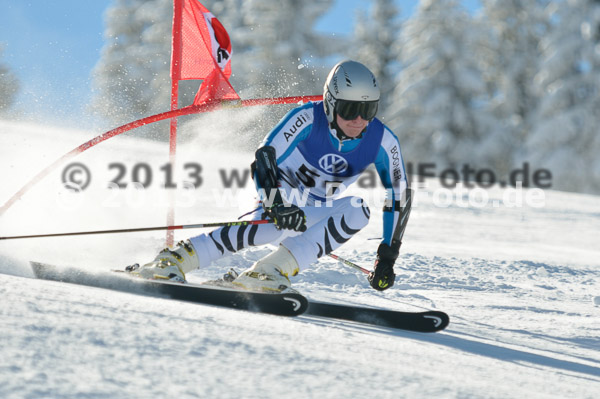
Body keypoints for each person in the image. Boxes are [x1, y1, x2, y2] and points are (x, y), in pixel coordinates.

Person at [131, 60, 411, 292]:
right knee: (273, 226)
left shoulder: (382, 141)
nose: (359, 120)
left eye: (368, 110)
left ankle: (269, 271)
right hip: (269, 189)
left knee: (357, 211)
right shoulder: (307, 118)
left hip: (311, 207)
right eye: (351, 109)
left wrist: (387, 256)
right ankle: (174, 259)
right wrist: (275, 203)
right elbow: (265, 156)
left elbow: (399, 195)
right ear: (330, 103)